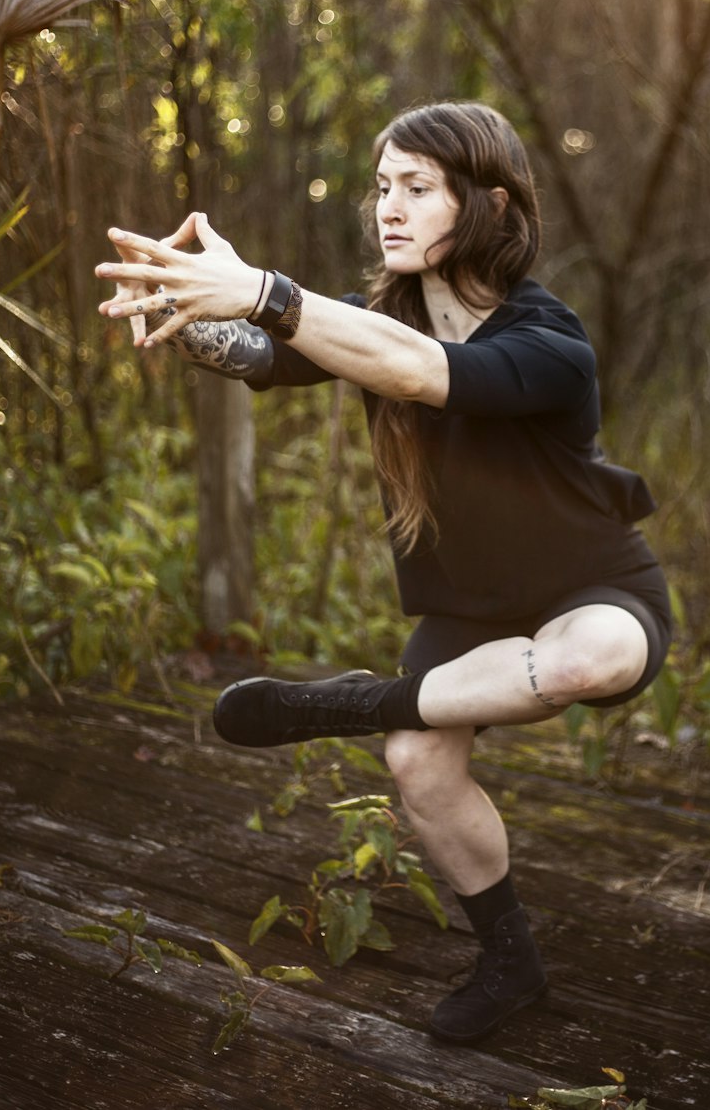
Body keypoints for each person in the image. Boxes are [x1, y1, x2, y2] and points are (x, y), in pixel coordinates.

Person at [95, 100, 671, 1045]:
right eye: (381, 187)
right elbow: (258, 352)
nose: (387, 209)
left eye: (415, 188)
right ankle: (510, 959)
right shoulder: (369, 319)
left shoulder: (551, 343)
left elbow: (417, 370)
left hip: (591, 588)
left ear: (485, 204)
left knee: (589, 660)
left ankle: (359, 703)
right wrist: (183, 305)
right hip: (468, 609)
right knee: (418, 761)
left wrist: (268, 290)